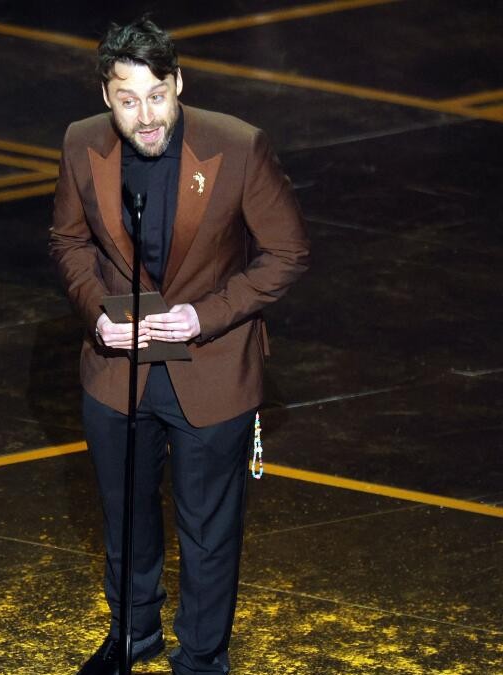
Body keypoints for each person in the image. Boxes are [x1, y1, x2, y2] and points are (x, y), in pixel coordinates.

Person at [49, 16, 309, 675]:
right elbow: (70, 242)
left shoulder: (238, 146)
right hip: (117, 370)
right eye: (128, 99)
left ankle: (201, 657)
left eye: (157, 95)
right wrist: (95, 314)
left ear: (179, 83)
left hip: (210, 367)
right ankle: (133, 637)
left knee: (208, 533)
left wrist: (204, 315)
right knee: (125, 520)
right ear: (107, 96)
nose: (146, 115)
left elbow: (287, 252)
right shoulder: (81, 144)